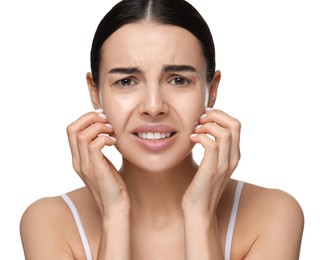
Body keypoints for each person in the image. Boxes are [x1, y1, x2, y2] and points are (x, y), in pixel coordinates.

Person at [20, 0, 304, 259]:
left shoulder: (273, 215)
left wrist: (199, 213)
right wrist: (114, 215)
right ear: (95, 93)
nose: (154, 106)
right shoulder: (49, 222)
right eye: (127, 81)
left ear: (212, 89)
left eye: (178, 80)